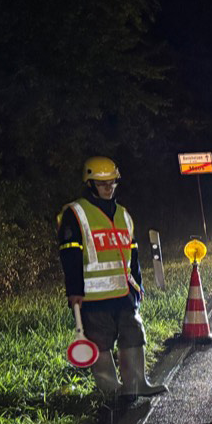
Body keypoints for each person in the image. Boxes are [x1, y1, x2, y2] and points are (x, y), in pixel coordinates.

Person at [57, 156, 164, 404]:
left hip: (124, 293)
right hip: (93, 297)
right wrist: (74, 290)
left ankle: (136, 384)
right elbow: (70, 255)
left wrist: (137, 285)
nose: (108, 187)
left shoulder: (124, 215)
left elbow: (132, 253)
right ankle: (110, 390)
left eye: (112, 182)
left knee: (134, 334)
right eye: (102, 183)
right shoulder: (75, 213)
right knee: (100, 342)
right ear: (90, 184)